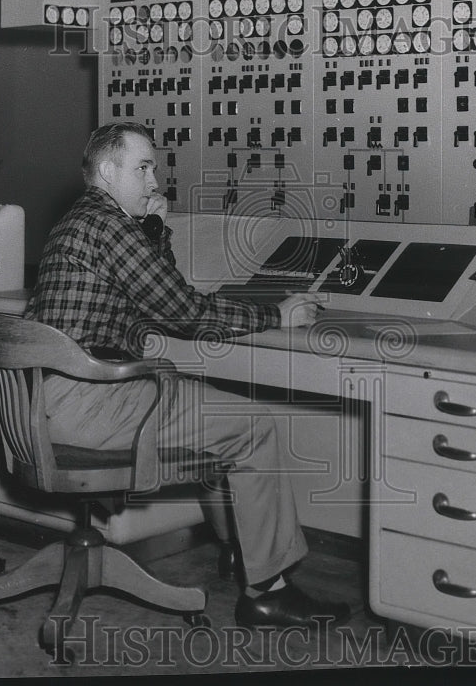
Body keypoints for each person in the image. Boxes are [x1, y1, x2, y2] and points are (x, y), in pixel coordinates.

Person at [25, 121, 351, 629]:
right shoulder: (110, 226)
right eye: (144, 167)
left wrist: (153, 230)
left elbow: (154, 294)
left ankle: (240, 551)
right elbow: (181, 309)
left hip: (51, 400)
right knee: (253, 424)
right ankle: (268, 590)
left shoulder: (83, 220)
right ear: (108, 172)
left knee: (202, 401)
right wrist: (277, 316)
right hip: (86, 404)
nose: (155, 180)